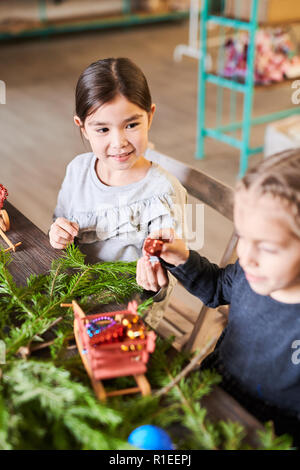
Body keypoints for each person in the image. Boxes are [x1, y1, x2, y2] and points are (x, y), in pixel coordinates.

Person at [136, 149, 300, 446]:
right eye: (244, 237)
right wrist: (183, 258)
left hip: (267, 433)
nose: (247, 256)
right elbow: (217, 288)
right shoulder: (252, 274)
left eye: (268, 247)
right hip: (209, 391)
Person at [49, 57, 187, 328]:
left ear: (150, 116)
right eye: (102, 129)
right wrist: (58, 232)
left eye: (132, 125)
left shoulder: (162, 193)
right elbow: (58, 224)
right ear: (82, 128)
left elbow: (166, 279)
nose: (119, 142)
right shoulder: (78, 171)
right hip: (73, 293)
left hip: (129, 313)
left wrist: (156, 278)